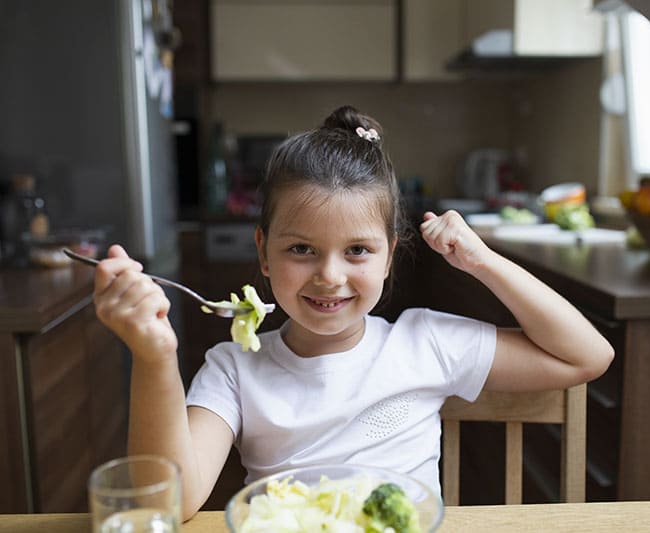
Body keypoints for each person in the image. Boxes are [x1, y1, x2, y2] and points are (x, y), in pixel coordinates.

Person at [93, 105, 614, 520]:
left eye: (358, 251)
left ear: (390, 253)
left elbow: (587, 357)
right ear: (263, 253)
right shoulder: (234, 368)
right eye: (301, 250)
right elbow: (172, 501)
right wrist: (154, 354)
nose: (330, 276)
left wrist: (483, 262)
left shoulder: (425, 343)